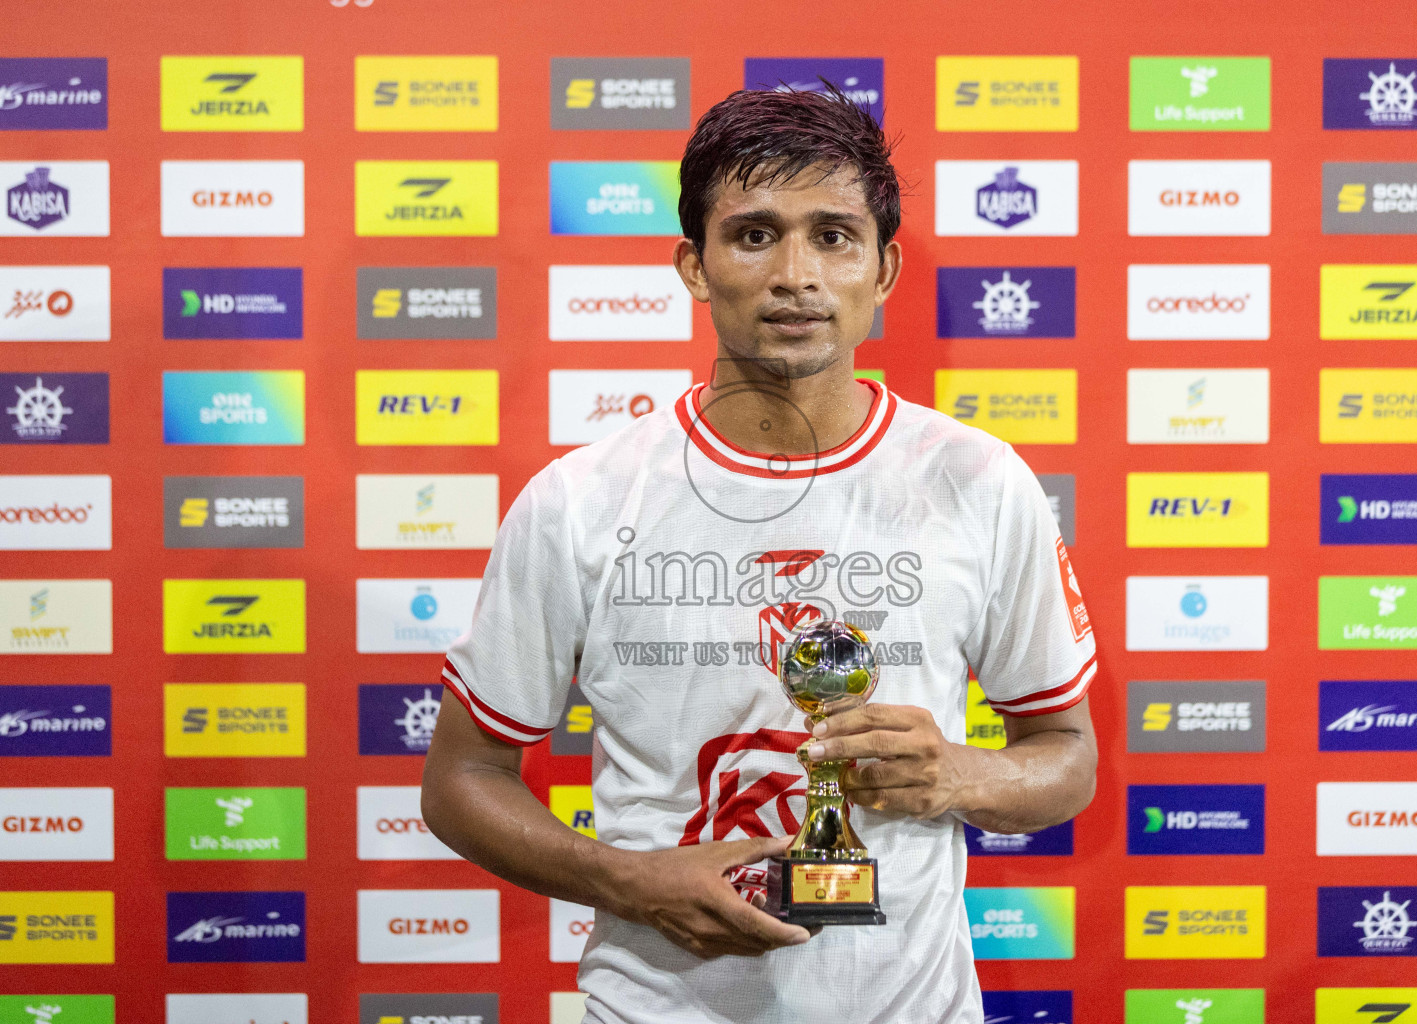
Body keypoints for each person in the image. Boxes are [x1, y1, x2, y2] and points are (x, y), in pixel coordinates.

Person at [421, 84, 1099, 1024]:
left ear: (884, 268)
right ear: (693, 267)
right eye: (753, 235)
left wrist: (961, 772)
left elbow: (1066, 757)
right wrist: (627, 881)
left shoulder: (979, 481)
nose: (796, 275)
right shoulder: (582, 500)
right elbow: (463, 778)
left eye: (833, 236)